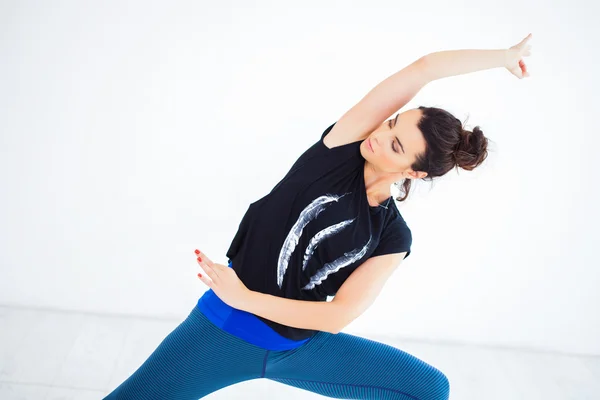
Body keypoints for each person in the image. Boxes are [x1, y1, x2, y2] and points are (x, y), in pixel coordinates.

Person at [104, 34, 532, 400]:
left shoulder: (393, 237)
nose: (380, 136)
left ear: (415, 173)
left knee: (428, 388)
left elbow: (338, 316)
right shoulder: (340, 150)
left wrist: (245, 298)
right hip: (223, 331)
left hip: (298, 348)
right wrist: (501, 57)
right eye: (391, 124)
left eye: (396, 146)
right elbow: (423, 68)